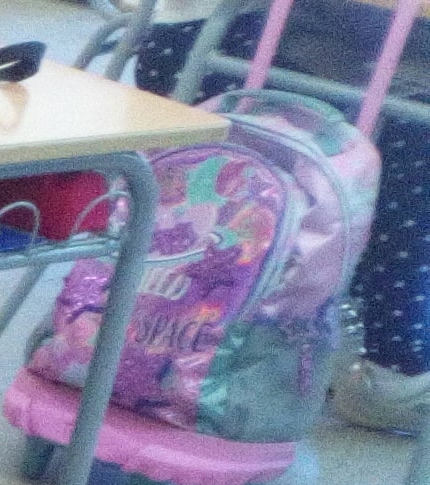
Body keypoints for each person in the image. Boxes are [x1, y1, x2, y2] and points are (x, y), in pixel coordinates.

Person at [139, 0, 430, 433]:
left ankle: (384, 354)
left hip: (226, 54)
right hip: (253, 50)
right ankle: (392, 362)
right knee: (403, 138)